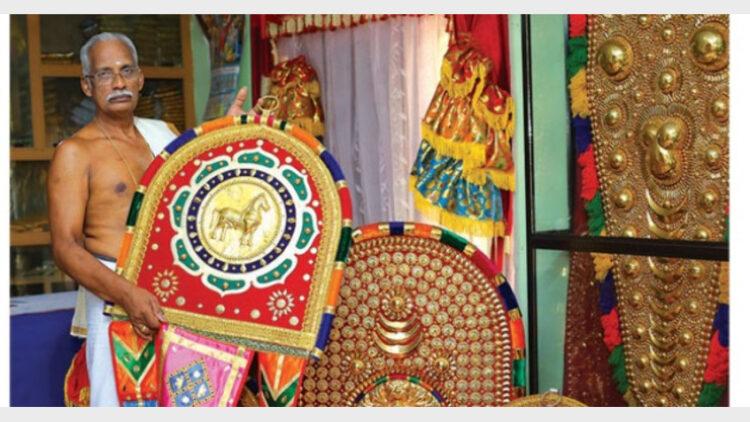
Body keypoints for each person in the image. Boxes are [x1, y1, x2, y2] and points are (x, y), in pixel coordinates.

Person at [47, 32, 247, 406]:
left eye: (127, 71)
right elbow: (65, 248)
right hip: (114, 299)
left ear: (140, 78)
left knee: (189, 400)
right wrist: (128, 294)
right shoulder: (75, 152)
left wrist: (227, 138)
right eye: (105, 74)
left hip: (180, 294)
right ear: (87, 85)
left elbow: (200, 203)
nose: (118, 83)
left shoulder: (164, 134)